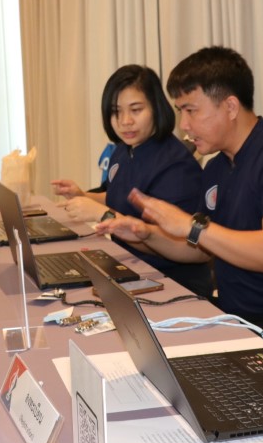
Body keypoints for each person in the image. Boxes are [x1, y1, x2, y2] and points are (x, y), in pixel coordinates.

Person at [96, 47, 263, 374]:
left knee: (178, 377)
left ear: (230, 107)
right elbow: (200, 249)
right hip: (238, 317)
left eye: (191, 111)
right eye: (180, 111)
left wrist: (192, 227)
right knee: (136, 351)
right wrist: (146, 234)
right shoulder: (216, 168)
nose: (183, 124)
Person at [51, 64, 212, 296]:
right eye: (116, 112)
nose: (125, 121)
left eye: (136, 110)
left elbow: (178, 243)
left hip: (172, 282)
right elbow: (118, 196)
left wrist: (103, 215)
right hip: (129, 268)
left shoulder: (175, 166)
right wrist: (83, 196)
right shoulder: (125, 150)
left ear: (156, 108)